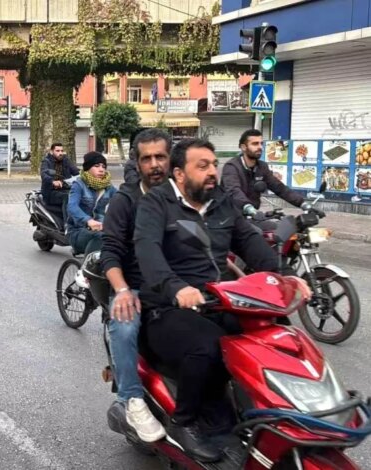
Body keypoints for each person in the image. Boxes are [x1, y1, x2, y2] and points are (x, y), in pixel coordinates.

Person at [134, 138, 310, 462]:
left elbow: (250, 241)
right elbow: (148, 251)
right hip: (167, 307)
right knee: (208, 344)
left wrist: (285, 276)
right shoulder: (156, 204)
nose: (213, 171)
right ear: (180, 174)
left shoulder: (221, 202)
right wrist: (176, 288)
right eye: (203, 166)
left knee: (275, 333)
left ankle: (272, 408)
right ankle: (183, 422)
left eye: (214, 164)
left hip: (220, 300)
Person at [100, 129, 171, 443]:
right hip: (137, 288)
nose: (155, 164)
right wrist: (123, 290)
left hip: (178, 287)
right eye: (147, 158)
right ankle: (131, 400)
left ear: (171, 160)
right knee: (125, 324)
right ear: (137, 163)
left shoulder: (183, 194)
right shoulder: (125, 201)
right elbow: (110, 251)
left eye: (160, 157)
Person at [221, 129, 306, 216]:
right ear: (243, 147)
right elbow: (234, 191)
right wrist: (248, 208)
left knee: (278, 227)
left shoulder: (262, 167)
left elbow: (280, 188)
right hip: (230, 217)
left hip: (252, 216)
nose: (260, 147)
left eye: (261, 143)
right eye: (255, 144)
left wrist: (303, 204)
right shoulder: (232, 167)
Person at [66, 152, 116, 256]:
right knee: (100, 237)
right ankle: (86, 270)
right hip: (78, 231)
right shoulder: (79, 185)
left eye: (103, 166)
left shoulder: (108, 187)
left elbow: (122, 200)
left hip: (101, 228)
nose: (101, 169)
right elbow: (72, 206)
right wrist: (88, 220)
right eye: (96, 166)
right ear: (88, 168)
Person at [40, 142, 79, 225]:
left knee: (79, 195)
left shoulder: (65, 160)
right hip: (51, 192)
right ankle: (67, 225)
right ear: (51, 151)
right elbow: (44, 174)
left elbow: (76, 171)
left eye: (62, 151)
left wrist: (86, 175)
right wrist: (53, 181)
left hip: (65, 188)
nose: (60, 153)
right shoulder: (46, 161)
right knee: (67, 197)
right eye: (57, 151)